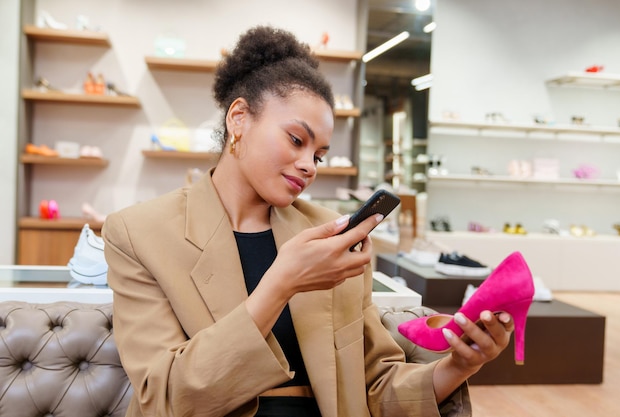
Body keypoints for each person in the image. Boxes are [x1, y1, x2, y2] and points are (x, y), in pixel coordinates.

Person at [103, 25, 514, 417]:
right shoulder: (139, 234)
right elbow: (166, 400)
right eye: (296, 140)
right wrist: (280, 283)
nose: (309, 166)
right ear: (239, 118)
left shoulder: (331, 235)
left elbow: (375, 386)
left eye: (318, 155)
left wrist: (458, 366)